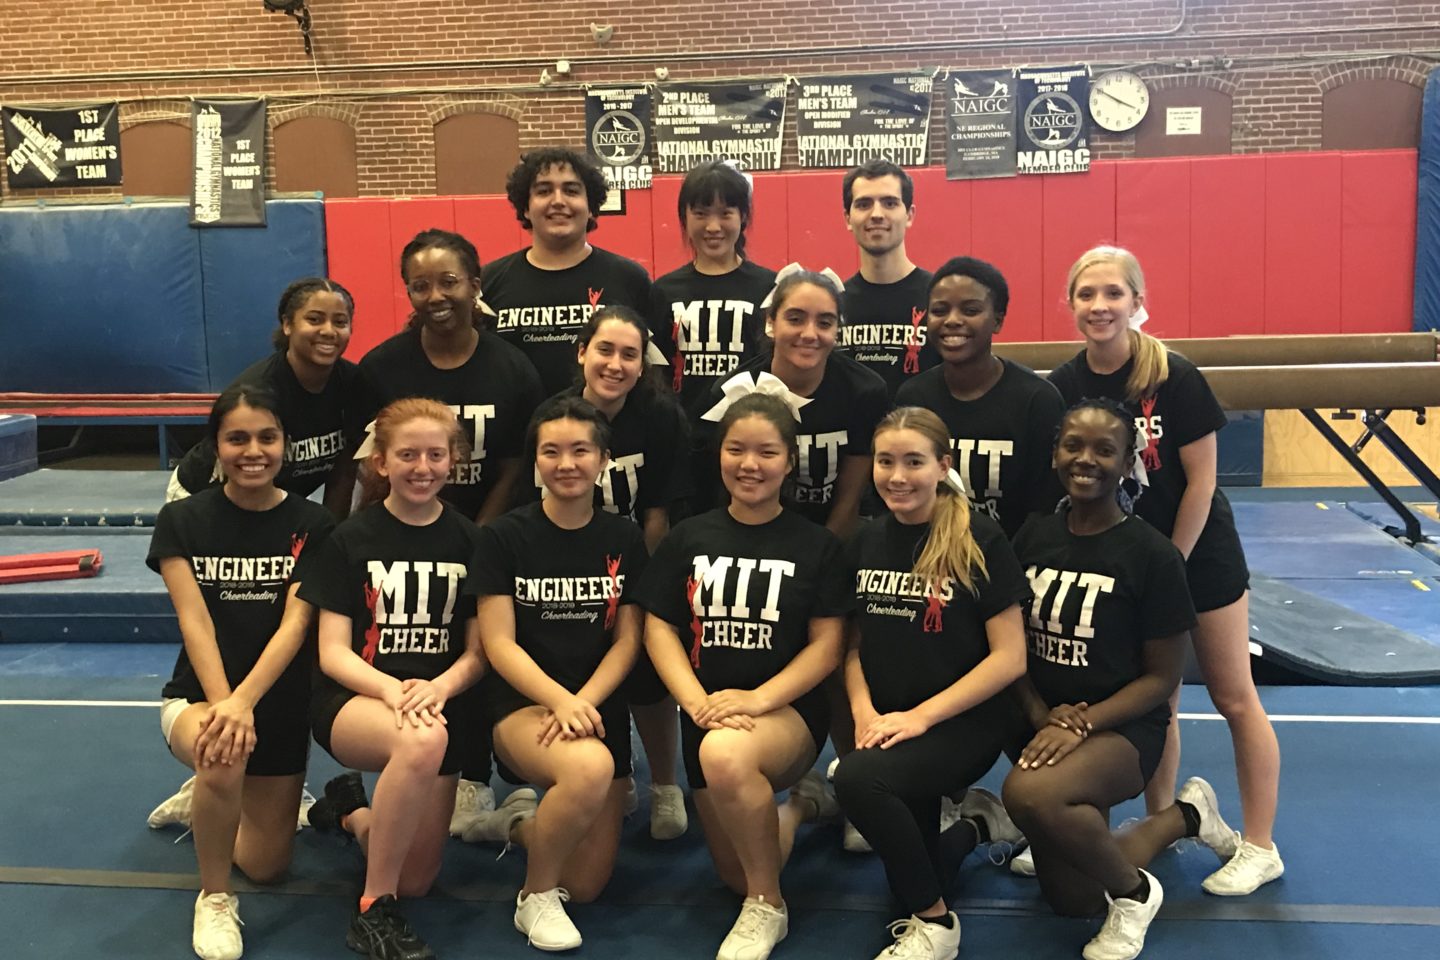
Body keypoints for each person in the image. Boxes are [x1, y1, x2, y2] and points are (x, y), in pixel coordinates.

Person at [1048, 246, 1282, 896]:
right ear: (1071, 304)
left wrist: (1172, 564)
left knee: (1235, 696)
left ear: (1135, 301)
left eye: (1112, 293)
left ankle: (1261, 845)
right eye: (1086, 294)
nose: (1099, 306)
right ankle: (1161, 824)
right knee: (1162, 700)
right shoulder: (1067, 383)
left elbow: (1203, 481)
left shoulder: (1173, 375)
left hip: (1196, 557)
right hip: (1125, 568)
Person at [1003, 398, 1242, 960]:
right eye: (1073, 446)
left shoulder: (1152, 555)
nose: (1086, 460)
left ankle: (1136, 894)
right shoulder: (1033, 536)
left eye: (1104, 450)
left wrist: (1081, 724)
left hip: (1122, 729)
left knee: (1030, 793)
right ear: (1055, 452)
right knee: (1074, 899)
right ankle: (1188, 815)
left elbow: (1161, 678)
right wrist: (1041, 714)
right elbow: (1011, 645)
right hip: (1047, 721)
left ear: (1129, 460)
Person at [635, 391, 852, 960]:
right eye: (736, 450)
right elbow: (659, 626)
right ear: (719, 455)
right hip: (706, 714)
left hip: (783, 713)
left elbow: (828, 647)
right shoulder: (689, 536)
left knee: (727, 757)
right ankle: (805, 805)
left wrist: (758, 700)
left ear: (789, 462)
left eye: (766, 452)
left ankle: (766, 905)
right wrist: (694, 700)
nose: (749, 464)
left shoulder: (817, 544)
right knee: (734, 864)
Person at [298, 398, 510, 960]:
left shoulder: (470, 541)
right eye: (408, 454)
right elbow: (333, 654)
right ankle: (373, 909)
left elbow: (479, 652)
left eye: (436, 455)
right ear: (382, 462)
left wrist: (439, 687)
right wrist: (393, 690)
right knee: (422, 738)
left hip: (438, 703)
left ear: (454, 461)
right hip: (358, 699)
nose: (423, 467)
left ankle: (351, 812)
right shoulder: (348, 539)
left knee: (417, 877)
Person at [833, 407, 1029, 960]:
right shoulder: (866, 540)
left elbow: (1009, 658)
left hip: (961, 725)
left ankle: (937, 926)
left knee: (857, 780)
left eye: (914, 462)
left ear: (943, 466)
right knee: (911, 877)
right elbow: (851, 647)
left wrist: (923, 717)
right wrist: (863, 710)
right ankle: (976, 826)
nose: (898, 476)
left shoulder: (978, 539)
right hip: (890, 720)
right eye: (886, 462)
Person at [147, 383, 334, 960]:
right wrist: (226, 705)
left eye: (267, 437)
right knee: (222, 751)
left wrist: (245, 704)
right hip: (199, 699)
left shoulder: (316, 524)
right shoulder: (181, 520)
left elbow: (295, 627)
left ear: (286, 446)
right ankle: (214, 899)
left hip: (274, 709)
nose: (253, 450)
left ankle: (207, 798)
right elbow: (194, 620)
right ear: (216, 447)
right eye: (237, 438)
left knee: (269, 866)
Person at [466, 396, 647, 950]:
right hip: (524, 708)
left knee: (588, 886)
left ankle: (513, 826)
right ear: (536, 461)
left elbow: (629, 639)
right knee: (590, 768)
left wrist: (583, 701)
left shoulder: (623, 537)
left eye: (580, 451)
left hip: (595, 709)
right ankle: (535, 895)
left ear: (604, 460)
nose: (566, 463)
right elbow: (498, 642)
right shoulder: (503, 537)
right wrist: (558, 701)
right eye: (552, 452)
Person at [549, 305, 692, 839]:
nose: (615, 363)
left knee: (649, 681)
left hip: (636, 562)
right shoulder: (555, 415)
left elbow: (657, 513)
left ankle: (665, 784)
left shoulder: (659, 416)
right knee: (591, 671)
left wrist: (645, 586)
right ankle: (619, 773)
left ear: (642, 363)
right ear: (582, 352)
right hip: (572, 569)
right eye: (604, 349)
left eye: (628, 354)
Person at [356, 229, 543, 527]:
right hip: (403, 533)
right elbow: (369, 467)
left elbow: (514, 469)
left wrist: (478, 537)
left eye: (448, 282)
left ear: (474, 287)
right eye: (421, 286)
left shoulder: (513, 369)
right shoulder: (381, 368)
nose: (435, 296)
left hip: (489, 532)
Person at [700, 267, 888, 539]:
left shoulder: (864, 391)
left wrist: (823, 556)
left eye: (824, 323)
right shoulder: (733, 390)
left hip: (829, 537)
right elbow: (721, 492)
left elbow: (850, 500)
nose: (809, 334)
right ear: (771, 322)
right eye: (795, 319)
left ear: (837, 329)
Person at [894, 257, 1065, 538]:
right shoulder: (914, 396)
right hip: (927, 558)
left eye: (970, 310)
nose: (952, 320)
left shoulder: (1037, 400)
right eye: (939, 310)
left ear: (997, 320)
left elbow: (1044, 508)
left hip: (1011, 563)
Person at [167, 278, 363, 517]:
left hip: (276, 497)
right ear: (287, 324)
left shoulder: (353, 384)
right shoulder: (258, 391)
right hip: (206, 494)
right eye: (314, 319)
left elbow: (344, 469)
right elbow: (245, 474)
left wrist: (332, 534)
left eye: (340, 322)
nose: (329, 331)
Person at [485, 147, 652, 395]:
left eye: (571, 191)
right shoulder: (490, 281)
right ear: (526, 208)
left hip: (606, 430)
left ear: (591, 206)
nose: (558, 201)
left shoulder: (629, 279)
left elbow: (648, 370)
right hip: (518, 432)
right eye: (544, 191)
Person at [650, 159, 777, 417]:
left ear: (742, 216)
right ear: (684, 217)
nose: (713, 226)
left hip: (750, 433)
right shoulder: (665, 290)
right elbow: (656, 374)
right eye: (701, 213)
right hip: (684, 437)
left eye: (725, 213)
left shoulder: (769, 287)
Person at [838, 160, 936, 400]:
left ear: (910, 214)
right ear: (848, 219)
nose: (877, 214)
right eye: (863, 204)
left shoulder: (938, 298)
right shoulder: (833, 303)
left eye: (890, 203)